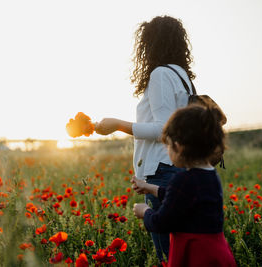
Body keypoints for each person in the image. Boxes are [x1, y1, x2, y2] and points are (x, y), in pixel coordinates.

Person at [95, 15, 195, 262]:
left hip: (162, 170)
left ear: (150, 45)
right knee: (182, 252)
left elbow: (163, 130)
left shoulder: (161, 74)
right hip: (182, 169)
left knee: (167, 256)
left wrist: (117, 125)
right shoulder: (183, 78)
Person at [131, 105, 236, 267]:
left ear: (178, 147)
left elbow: (162, 222)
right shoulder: (210, 175)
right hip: (216, 252)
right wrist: (151, 188)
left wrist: (145, 212)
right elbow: (184, 198)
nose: (167, 150)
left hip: (195, 255)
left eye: (167, 145)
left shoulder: (183, 179)